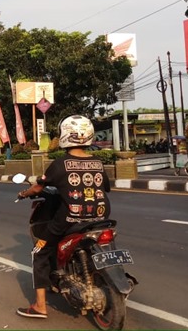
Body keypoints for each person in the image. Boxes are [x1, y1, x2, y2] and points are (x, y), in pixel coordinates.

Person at [15, 115, 111, 319]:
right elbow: (106, 188)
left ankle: (40, 306)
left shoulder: (61, 164)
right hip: (99, 219)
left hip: (69, 221)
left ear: (66, 135)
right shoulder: (98, 163)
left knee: (39, 252)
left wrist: (23, 194)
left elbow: (39, 186)